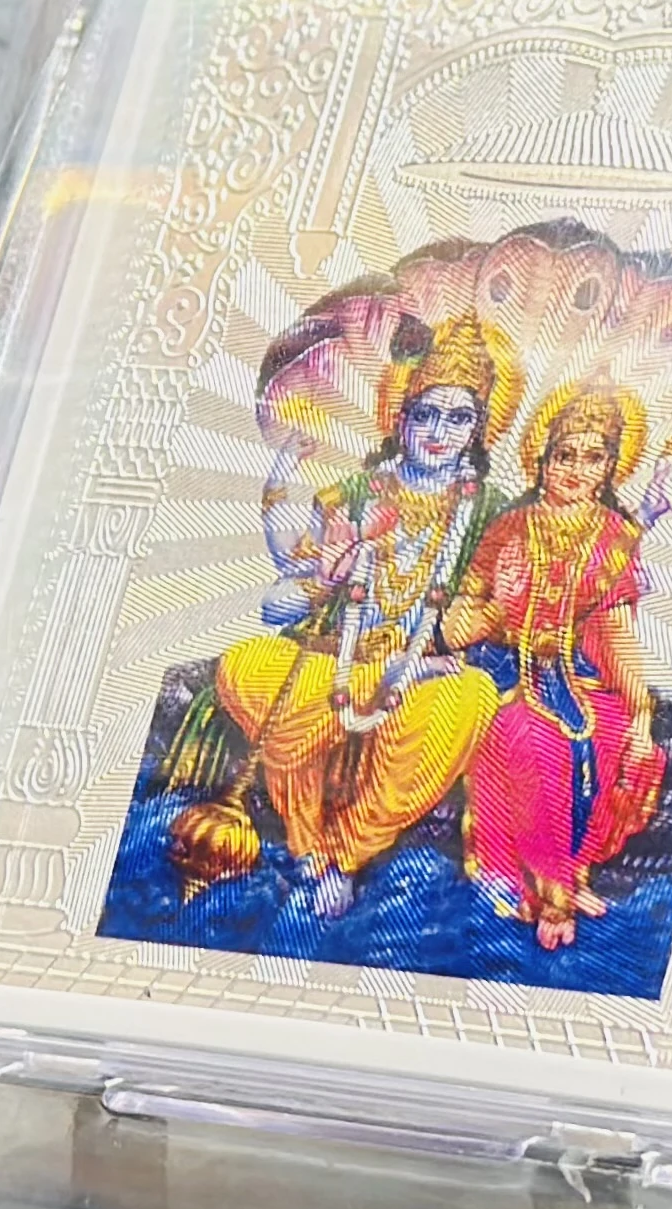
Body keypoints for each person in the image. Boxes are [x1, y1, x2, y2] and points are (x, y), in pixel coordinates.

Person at [207, 314, 518, 919]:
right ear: (401, 418)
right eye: (426, 414)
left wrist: (443, 641)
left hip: (425, 672)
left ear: (479, 427)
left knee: (470, 699)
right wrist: (321, 577)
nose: (440, 433)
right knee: (246, 664)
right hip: (336, 658)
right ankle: (307, 847)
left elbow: (492, 609)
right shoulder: (352, 495)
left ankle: (346, 855)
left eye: (459, 418)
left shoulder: (492, 512)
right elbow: (284, 597)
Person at [443, 376, 664, 950]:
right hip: (503, 674)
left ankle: (573, 873)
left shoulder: (615, 537)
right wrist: (498, 608)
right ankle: (547, 891)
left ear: (611, 467)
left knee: (616, 737)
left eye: (593, 458)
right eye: (565, 455)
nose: (576, 470)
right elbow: (455, 629)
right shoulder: (508, 527)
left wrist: (640, 713)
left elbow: (615, 632)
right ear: (541, 458)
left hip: (578, 679)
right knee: (530, 741)